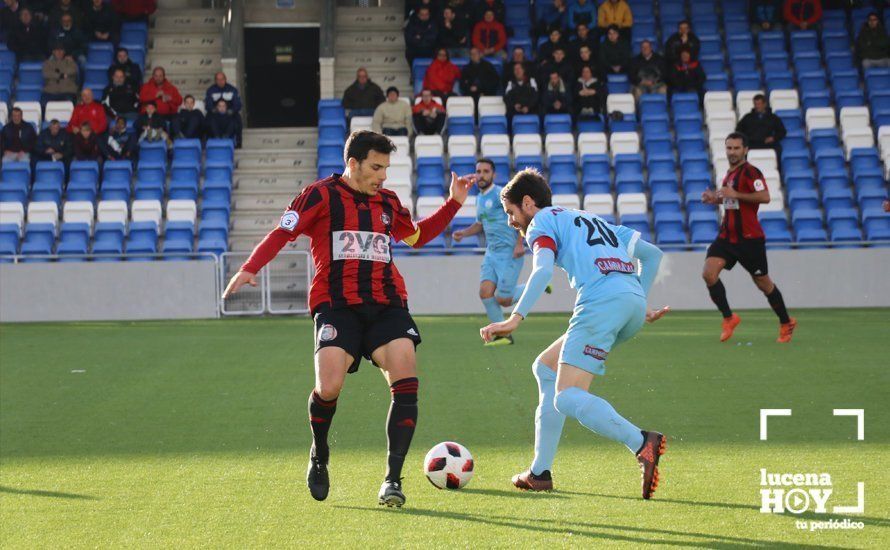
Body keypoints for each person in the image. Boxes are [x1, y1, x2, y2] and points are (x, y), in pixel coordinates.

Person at [222, 130, 475, 508]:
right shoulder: (320, 195)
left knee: (406, 376)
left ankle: (392, 480)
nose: (382, 176)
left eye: (386, 168)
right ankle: (319, 453)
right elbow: (283, 232)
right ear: (352, 163)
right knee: (329, 387)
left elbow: (417, 237)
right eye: (376, 167)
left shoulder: (388, 201)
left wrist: (453, 203)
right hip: (336, 305)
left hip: (387, 303)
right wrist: (249, 267)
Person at [479, 168, 670, 496]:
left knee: (566, 396)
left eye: (511, 212)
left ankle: (642, 442)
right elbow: (652, 255)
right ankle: (540, 472)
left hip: (601, 303)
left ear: (528, 203)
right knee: (545, 367)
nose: (511, 221)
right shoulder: (587, 217)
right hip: (630, 305)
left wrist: (515, 318)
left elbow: (541, 271)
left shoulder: (540, 223)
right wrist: (638, 298)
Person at [700, 133, 796, 343]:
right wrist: (714, 199)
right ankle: (729, 318)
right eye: (729, 148)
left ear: (745, 150)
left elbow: (765, 197)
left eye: (736, 148)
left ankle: (786, 321)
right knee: (708, 273)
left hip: (749, 239)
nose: (732, 152)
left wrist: (735, 194)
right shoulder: (729, 175)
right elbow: (730, 200)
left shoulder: (752, 172)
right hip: (727, 236)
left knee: (763, 283)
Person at [452, 158, 529, 344]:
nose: (481, 175)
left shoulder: (500, 194)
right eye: (478, 171)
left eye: (486, 171)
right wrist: (464, 233)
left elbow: (520, 215)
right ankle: (504, 335)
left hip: (509, 251)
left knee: (503, 299)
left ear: (493, 175)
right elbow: (480, 224)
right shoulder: (479, 198)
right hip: (492, 253)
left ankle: (538, 285)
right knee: (485, 292)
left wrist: (520, 243)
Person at [205, 71, 243, 147]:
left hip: (229, 113)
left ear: (225, 79)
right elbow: (208, 105)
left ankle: (238, 141)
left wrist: (231, 110)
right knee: (207, 119)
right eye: (218, 80)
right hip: (215, 113)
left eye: (222, 79)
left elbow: (238, 104)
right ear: (215, 80)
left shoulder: (232, 89)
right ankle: (210, 140)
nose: (220, 81)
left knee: (238, 118)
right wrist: (214, 110)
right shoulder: (210, 90)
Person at [41, 42, 78, 107]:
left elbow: (73, 70)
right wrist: (61, 75)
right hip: (51, 91)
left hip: (67, 91)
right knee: (43, 104)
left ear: (64, 52)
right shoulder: (47, 63)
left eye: (61, 50)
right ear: (53, 52)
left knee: (70, 103)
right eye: (57, 50)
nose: (59, 52)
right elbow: (46, 74)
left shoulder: (70, 62)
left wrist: (54, 74)